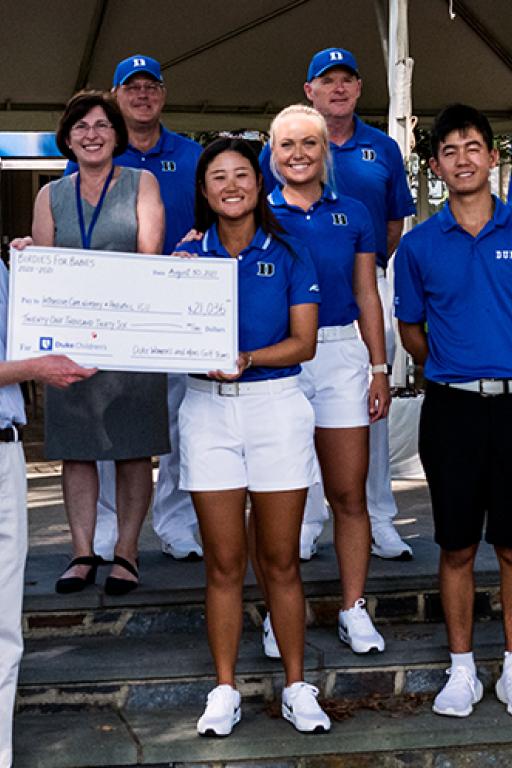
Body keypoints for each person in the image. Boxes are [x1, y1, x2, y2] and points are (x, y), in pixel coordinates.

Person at [176, 137, 330, 736]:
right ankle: (223, 689)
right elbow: (159, 330)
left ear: (258, 183)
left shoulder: (289, 249)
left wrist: (246, 356)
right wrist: (173, 281)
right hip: (206, 410)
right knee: (222, 562)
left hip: (275, 407)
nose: (231, 185)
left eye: (242, 174)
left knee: (280, 560)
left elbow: (304, 342)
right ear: (205, 190)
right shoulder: (187, 256)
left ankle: (296, 685)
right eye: (218, 176)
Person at [260, 47, 415, 561]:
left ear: (358, 87)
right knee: (296, 424)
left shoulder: (382, 148)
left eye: (347, 79)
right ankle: (308, 519)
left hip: (361, 282)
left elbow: (393, 220)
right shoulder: (282, 146)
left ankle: (380, 516)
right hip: (288, 301)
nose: (338, 88)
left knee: (366, 415)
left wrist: (361, 261)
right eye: (327, 81)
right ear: (311, 90)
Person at [18, 89, 170, 595]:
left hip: (129, 337)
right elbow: (45, 266)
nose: (92, 134)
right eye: (81, 126)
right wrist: (26, 252)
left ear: (116, 135)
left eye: (102, 125)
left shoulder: (142, 184)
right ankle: (81, 551)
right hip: (70, 342)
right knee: (76, 450)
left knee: (131, 451)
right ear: (67, 137)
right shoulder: (49, 195)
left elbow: (150, 259)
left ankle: (126, 552)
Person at [257, 104, 390, 659]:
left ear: (324, 151)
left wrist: (379, 367)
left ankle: (353, 607)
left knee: (346, 492)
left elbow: (366, 294)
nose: (297, 155)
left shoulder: (354, 212)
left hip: (338, 355)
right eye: (286, 145)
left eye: (308, 144)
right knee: (272, 498)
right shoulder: (252, 214)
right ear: (272, 153)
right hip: (277, 358)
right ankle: (276, 611)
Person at [394, 104, 512, 718]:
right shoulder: (417, 246)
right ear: (435, 166)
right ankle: (461, 669)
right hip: (453, 410)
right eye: (449, 150)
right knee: (458, 546)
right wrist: (456, 362)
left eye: (474, 147)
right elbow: (411, 330)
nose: (463, 159)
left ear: (493, 156)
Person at [66, 54, 203, 561]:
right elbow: (65, 226)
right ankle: (104, 529)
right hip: (107, 312)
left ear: (162, 95)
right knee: (106, 418)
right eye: (132, 88)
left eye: (151, 87)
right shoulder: (96, 152)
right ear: (117, 95)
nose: (142, 96)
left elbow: (218, 217)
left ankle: (176, 524)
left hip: (175, 311)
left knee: (175, 422)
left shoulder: (191, 155)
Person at [0, 257, 93, 768]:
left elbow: (42, 327)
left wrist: (44, 271)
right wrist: (35, 369)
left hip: (7, 450)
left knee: (4, 629)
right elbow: (31, 359)